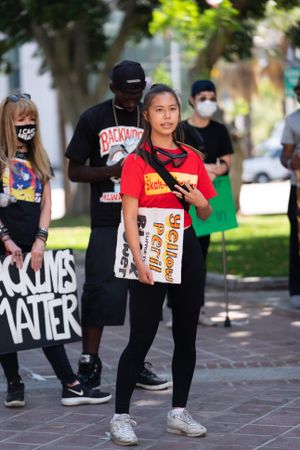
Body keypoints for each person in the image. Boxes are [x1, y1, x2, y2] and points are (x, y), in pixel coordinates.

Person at [109, 84, 217, 446]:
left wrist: (202, 201)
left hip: (185, 246)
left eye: (172, 109)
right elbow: (128, 215)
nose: (168, 116)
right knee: (142, 334)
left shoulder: (191, 157)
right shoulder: (137, 160)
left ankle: (178, 412)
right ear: (147, 115)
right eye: (159, 110)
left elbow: (205, 212)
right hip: (150, 251)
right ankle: (120, 417)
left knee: (186, 335)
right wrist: (140, 260)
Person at [65, 60, 170, 398]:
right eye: (126, 94)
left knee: (144, 295)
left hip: (147, 218)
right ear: (112, 88)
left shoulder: (149, 115)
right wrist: (112, 170)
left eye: (137, 94)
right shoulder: (93, 118)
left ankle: (136, 363)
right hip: (109, 219)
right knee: (99, 293)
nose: (131, 101)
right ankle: (89, 363)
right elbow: (75, 171)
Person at [0, 92, 108, 408]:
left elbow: (46, 201)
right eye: (21, 119)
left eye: (31, 118)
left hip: (33, 247)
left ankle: (71, 385)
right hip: (4, 248)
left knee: (46, 315)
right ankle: (14, 383)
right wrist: (6, 240)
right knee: (6, 316)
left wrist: (40, 240)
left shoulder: (40, 157)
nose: (27, 124)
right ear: (8, 122)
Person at [180, 79, 233, 326]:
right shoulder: (180, 129)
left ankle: (197, 308)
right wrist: (207, 168)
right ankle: (175, 306)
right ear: (192, 100)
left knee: (200, 255)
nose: (207, 102)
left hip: (208, 201)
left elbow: (226, 164)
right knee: (179, 254)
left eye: (212, 97)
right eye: (202, 97)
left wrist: (213, 169)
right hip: (181, 200)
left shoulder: (219, 130)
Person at [280, 76, 300, 308]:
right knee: (297, 238)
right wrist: (291, 162)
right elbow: (285, 156)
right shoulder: (292, 121)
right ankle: (296, 288)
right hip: (298, 188)